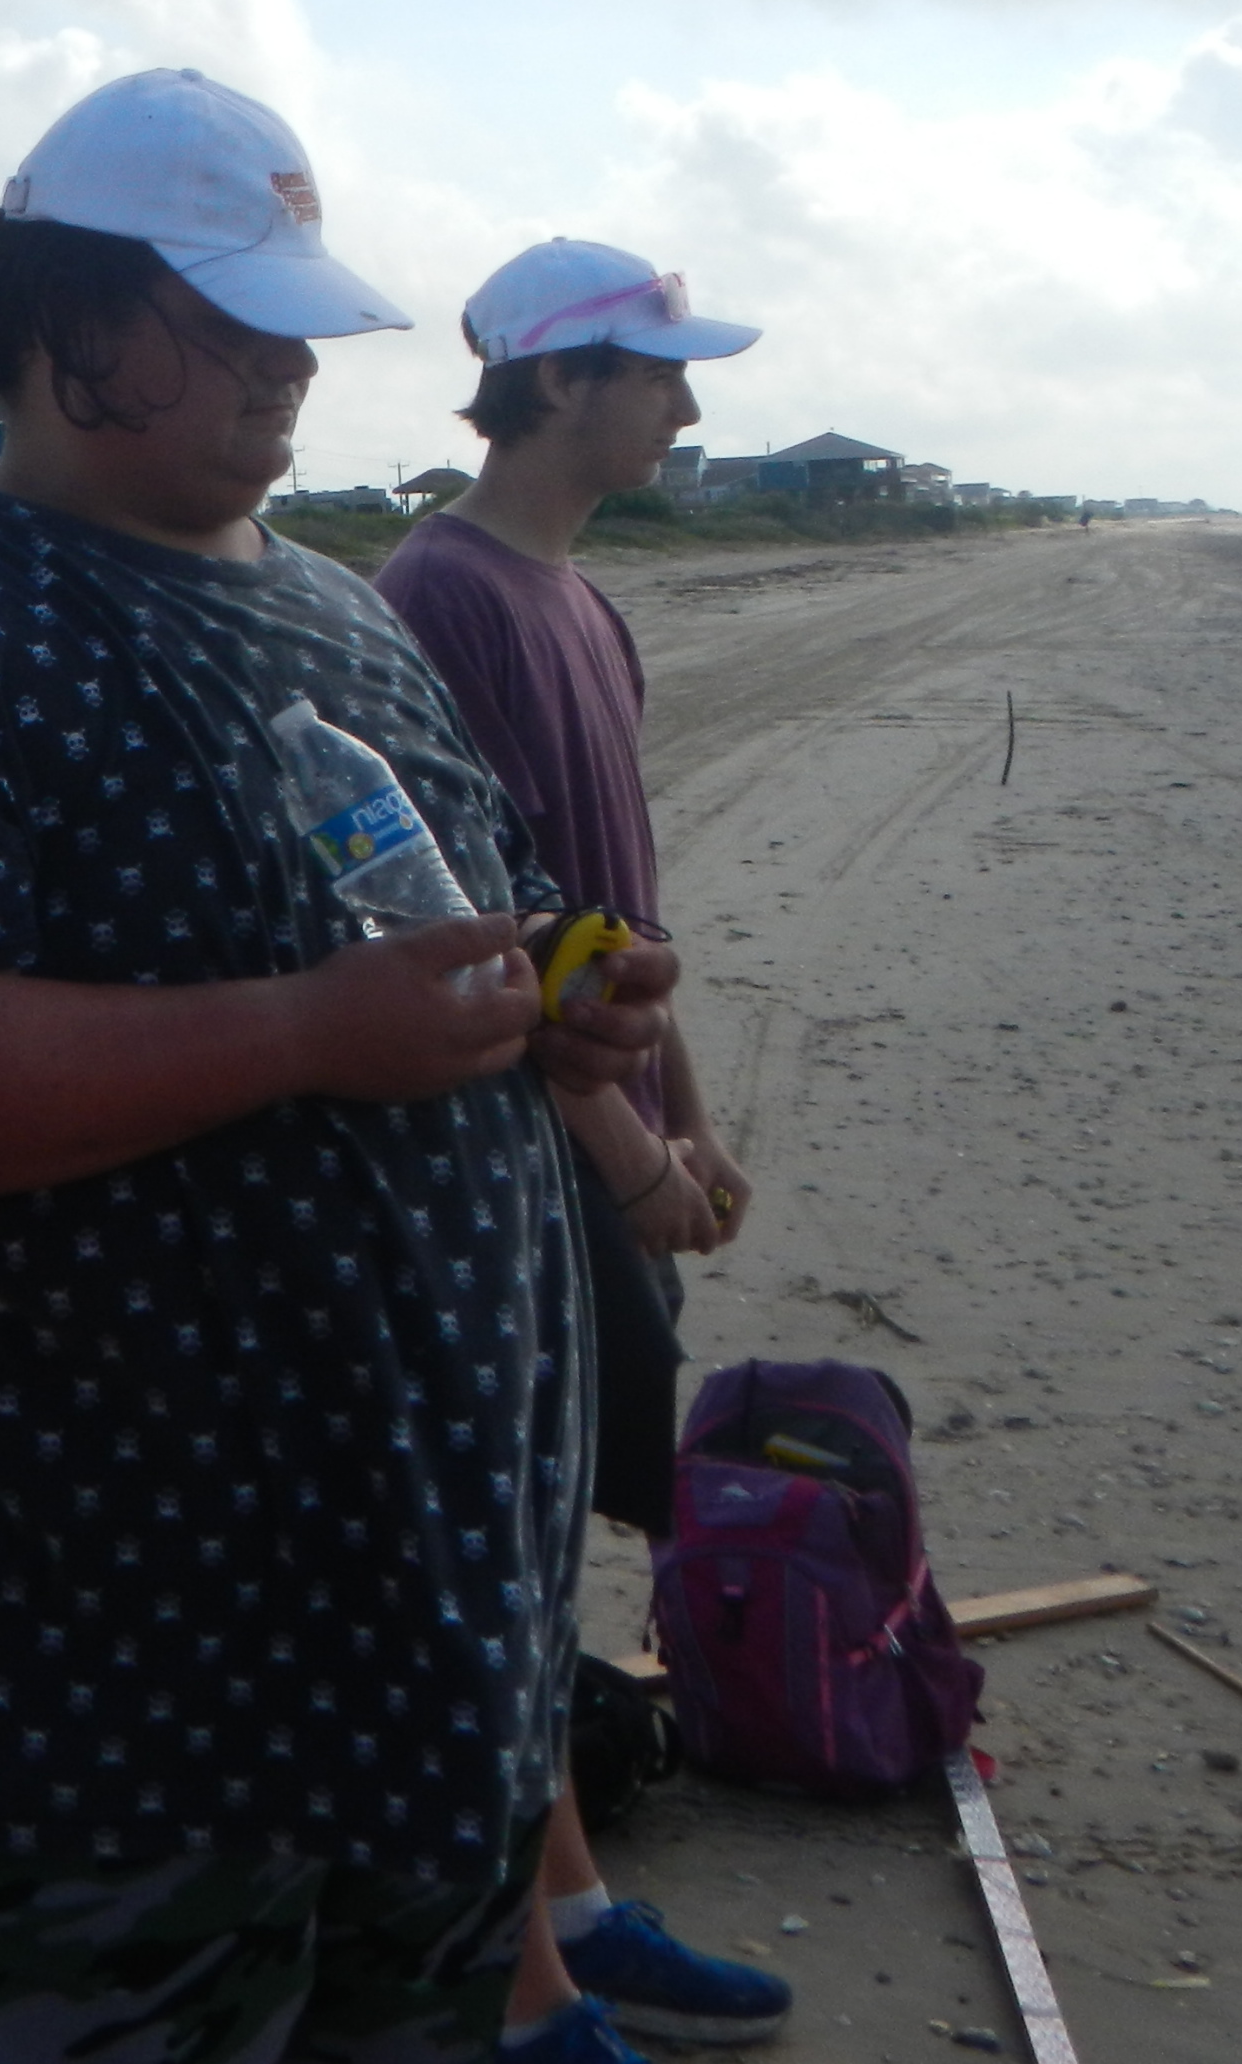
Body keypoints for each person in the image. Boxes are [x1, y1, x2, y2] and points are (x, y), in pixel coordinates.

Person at [0, 68, 685, 2064]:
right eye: (228, 321)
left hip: (426, 1666)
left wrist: (567, 999)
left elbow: (470, 908)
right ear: (58, 321)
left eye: (295, 320)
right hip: (107, 1719)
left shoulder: (341, 615)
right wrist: (303, 1033)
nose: (288, 364)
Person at [378, 237, 793, 2054]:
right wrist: (627, 1155)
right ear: (558, 381)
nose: (687, 408)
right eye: (659, 372)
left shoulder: (583, 605)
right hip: (503, 1142)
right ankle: (518, 1963)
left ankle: (574, 1914)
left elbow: (619, 915)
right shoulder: (439, 597)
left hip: (604, 1120)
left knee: (545, 1531)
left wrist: (690, 1114)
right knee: (499, 1531)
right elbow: (473, 924)